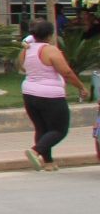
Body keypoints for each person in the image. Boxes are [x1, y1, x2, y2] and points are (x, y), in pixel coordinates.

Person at [19, 20, 87, 170]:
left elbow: (23, 68)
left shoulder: (26, 50)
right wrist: (81, 87)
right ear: (50, 35)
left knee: (42, 128)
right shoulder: (50, 50)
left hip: (29, 94)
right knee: (59, 130)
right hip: (50, 96)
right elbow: (67, 73)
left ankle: (48, 163)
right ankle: (35, 151)